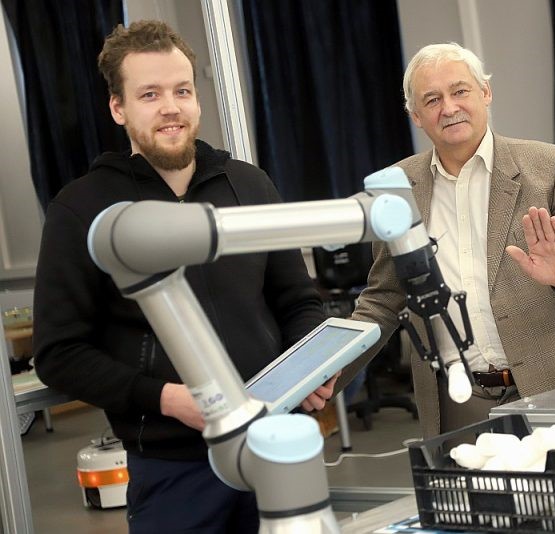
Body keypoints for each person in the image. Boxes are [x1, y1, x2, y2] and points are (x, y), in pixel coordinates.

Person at [32, 20, 334, 533]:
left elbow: (298, 301)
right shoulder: (82, 209)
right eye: (149, 94)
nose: (170, 107)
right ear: (118, 108)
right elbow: (59, 354)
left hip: (274, 443)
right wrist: (165, 399)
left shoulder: (249, 185)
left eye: (182, 90)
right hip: (173, 469)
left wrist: (310, 367)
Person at [344, 42, 555, 438]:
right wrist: (332, 371)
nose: (449, 107)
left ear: (485, 92)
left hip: (554, 386)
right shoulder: (396, 190)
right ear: (416, 115)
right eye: (432, 99)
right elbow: (385, 297)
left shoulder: (550, 166)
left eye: (460, 91)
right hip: (459, 400)